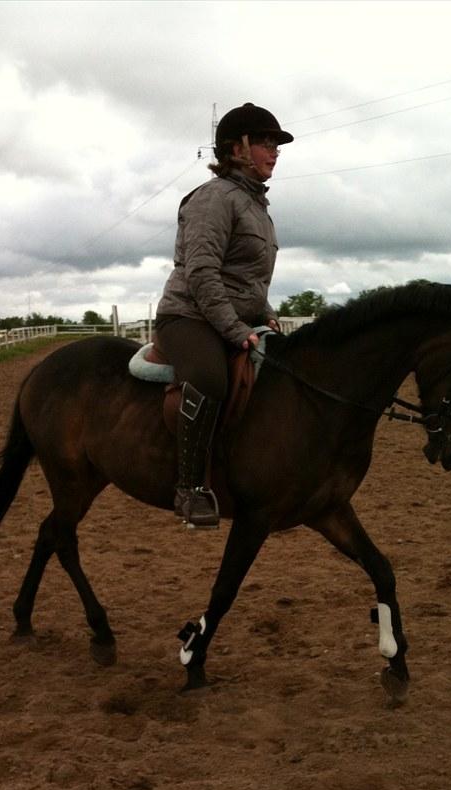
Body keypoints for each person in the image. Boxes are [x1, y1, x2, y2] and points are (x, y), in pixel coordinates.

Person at [154, 102, 294, 529]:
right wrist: (236, 329)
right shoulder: (212, 199)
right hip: (189, 316)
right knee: (211, 378)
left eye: (277, 144)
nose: (275, 151)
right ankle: (190, 488)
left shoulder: (257, 207)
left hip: (233, 317)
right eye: (266, 142)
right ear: (238, 148)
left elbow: (249, 280)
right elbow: (202, 273)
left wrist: (265, 314)